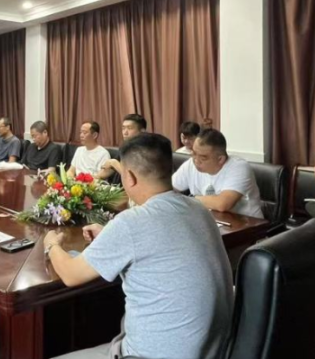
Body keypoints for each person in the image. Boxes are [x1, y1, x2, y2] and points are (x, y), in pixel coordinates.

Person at [44, 133, 234, 359]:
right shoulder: (199, 209)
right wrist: (110, 237)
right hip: (215, 350)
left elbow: (70, 274)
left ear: (130, 177)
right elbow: (161, 244)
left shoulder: (131, 222)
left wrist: (52, 245)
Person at [172, 128, 265, 219]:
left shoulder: (239, 167)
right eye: (194, 153)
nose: (196, 160)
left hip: (247, 224)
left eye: (203, 158)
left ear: (220, 159)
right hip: (212, 220)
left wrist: (190, 199)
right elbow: (168, 189)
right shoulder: (190, 165)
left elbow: (222, 204)